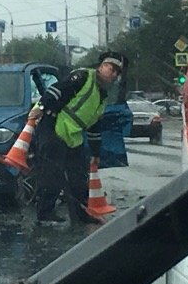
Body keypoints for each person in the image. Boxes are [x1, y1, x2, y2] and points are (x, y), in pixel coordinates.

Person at [29, 51, 126, 226]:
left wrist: (95, 153)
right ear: (101, 66)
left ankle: (81, 214)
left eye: (116, 72)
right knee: (52, 172)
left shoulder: (102, 97)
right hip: (52, 125)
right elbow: (58, 90)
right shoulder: (83, 77)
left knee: (79, 176)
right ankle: (45, 213)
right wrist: (42, 106)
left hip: (72, 135)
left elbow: (94, 127)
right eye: (111, 68)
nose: (112, 74)